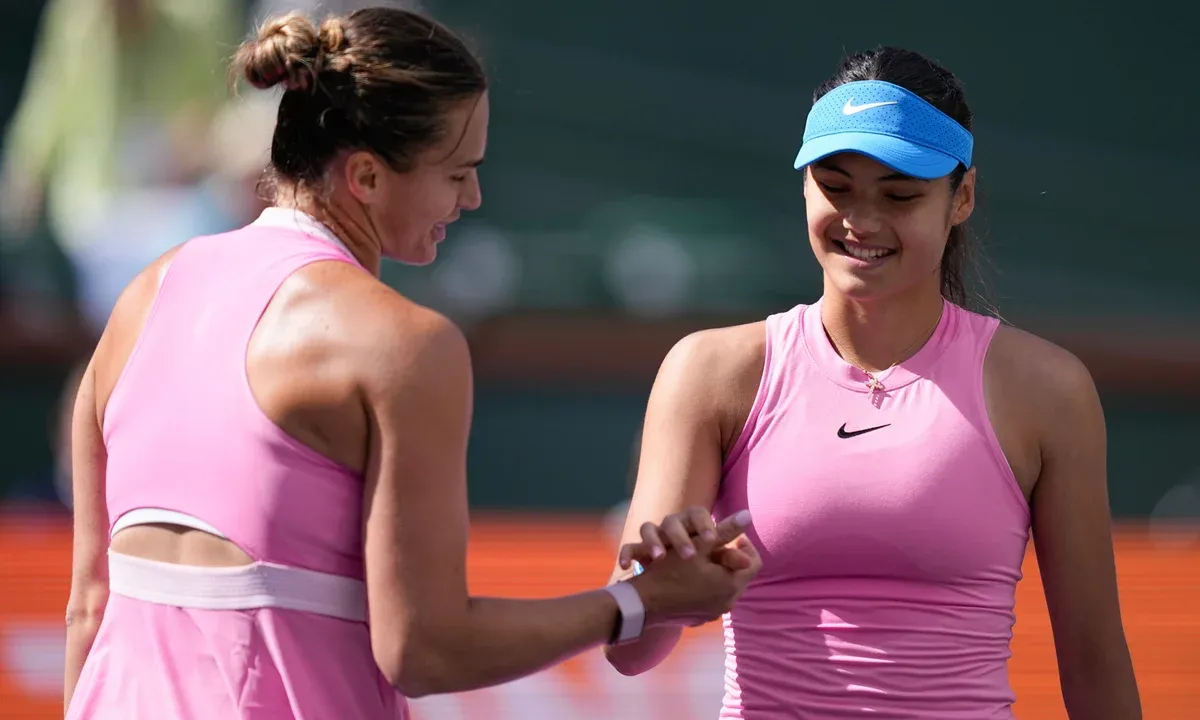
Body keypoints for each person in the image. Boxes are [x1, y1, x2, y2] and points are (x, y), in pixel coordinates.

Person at [62, 8, 762, 718]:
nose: (472, 198)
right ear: (366, 175)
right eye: (457, 173)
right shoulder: (405, 345)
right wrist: (638, 603)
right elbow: (425, 649)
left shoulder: (144, 295)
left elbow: (90, 607)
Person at [606, 47, 1141, 718]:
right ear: (804, 187)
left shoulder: (1047, 390)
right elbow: (630, 652)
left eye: (900, 195)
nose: (861, 221)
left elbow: (1093, 659)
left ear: (962, 198)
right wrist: (660, 588)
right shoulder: (709, 371)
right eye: (836, 187)